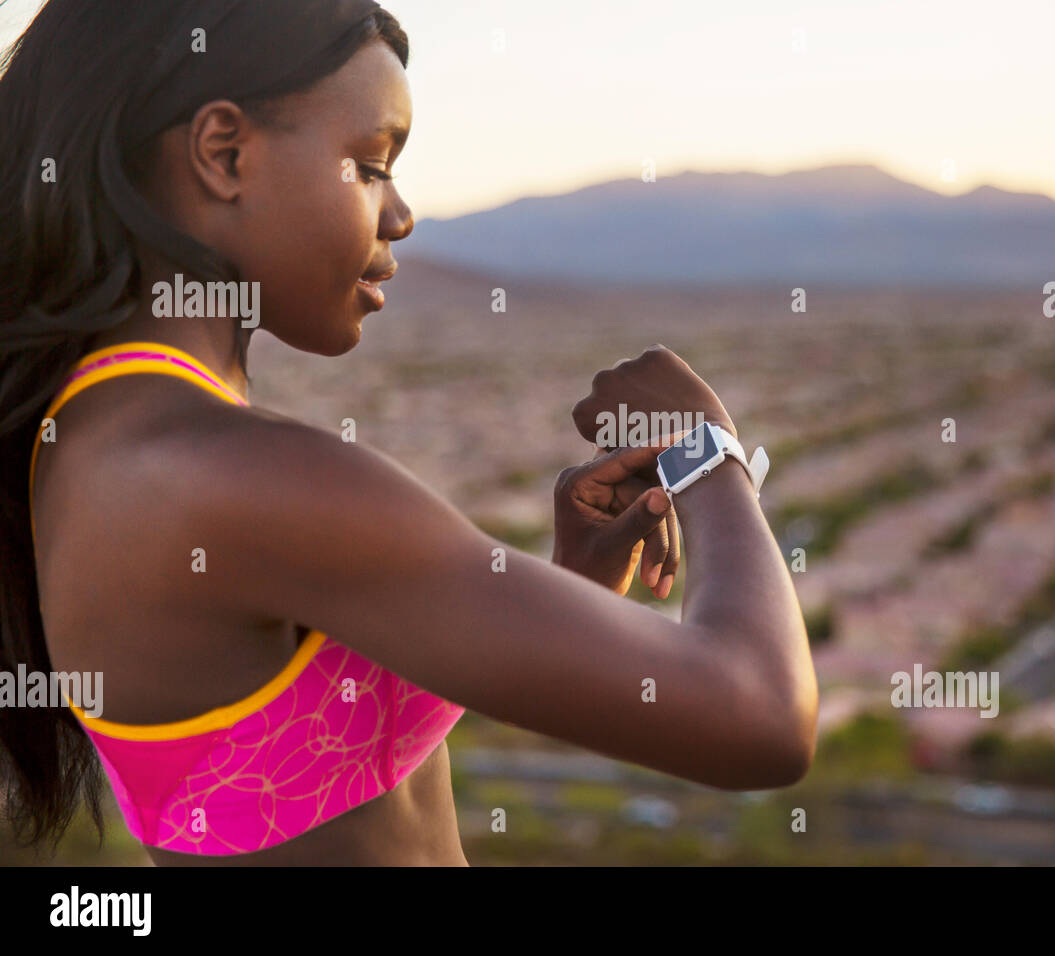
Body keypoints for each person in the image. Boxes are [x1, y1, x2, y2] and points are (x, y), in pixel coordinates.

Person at [0, 0, 817, 866]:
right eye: (372, 164)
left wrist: (563, 589)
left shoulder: (95, 439)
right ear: (224, 154)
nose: (400, 215)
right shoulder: (230, 476)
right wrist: (706, 452)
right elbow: (761, 718)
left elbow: (313, 730)